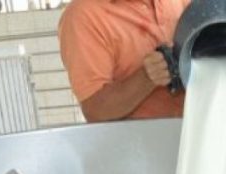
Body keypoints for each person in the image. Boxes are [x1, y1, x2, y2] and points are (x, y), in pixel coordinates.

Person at [58, 0, 188, 122]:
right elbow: (95, 110)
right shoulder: (83, 16)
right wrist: (146, 78)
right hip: (137, 136)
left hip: (193, 130)